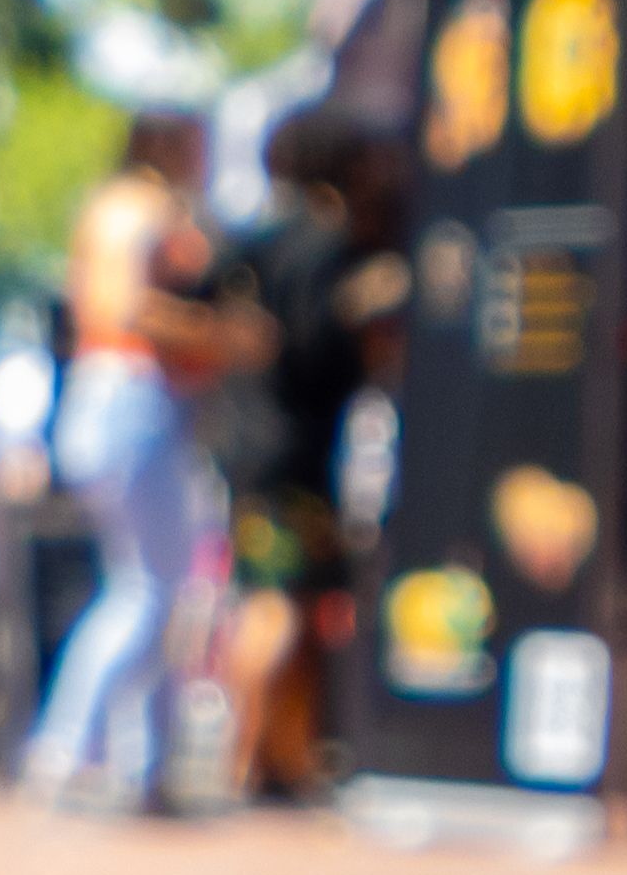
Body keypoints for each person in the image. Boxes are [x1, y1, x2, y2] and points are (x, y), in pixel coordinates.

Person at [23, 109, 264, 808]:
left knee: (145, 586)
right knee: (149, 592)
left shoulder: (109, 204)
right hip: (133, 396)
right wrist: (226, 336)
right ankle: (68, 749)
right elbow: (128, 309)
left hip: (109, 400)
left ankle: (142, 765)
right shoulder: (143, 208)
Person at [205, 107, 411, 802]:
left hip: (247, 445)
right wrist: (369, 323)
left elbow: (202, 298)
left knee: (283, 598)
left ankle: (278, 760)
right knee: (279, 606)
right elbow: (321, 343)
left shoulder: (251, 241)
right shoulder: (329, 244)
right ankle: (241, 761)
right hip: (291, 452)